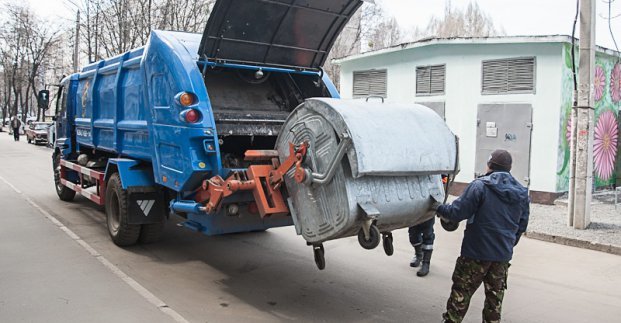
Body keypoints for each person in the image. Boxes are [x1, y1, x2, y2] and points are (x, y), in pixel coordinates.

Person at [435, 149, 529, 323]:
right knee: (494, 304)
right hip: (501, 257)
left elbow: (457, 212)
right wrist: (507, 243)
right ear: (509, 168)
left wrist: (438, 208)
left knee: (460, 297)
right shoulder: (522, 192)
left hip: (475, 254)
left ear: (489, 165)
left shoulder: (480, 186)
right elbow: (521, 225)